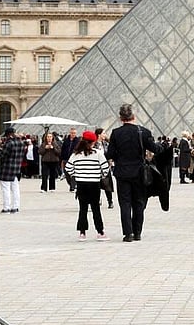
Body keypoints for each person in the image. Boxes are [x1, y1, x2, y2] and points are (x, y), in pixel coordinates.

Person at [105, 103, 162, 242]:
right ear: (134, 116)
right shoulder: (143, 132)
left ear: (120, 118)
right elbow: (155, 149)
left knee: (125, 204)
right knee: (139, 203)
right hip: (139, 173)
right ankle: (137, 233)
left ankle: (128, 234)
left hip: (122, 173)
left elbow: (110, 153)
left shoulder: (116, 133)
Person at [64, 131, 111, 241]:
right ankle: (100, 232)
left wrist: (77, 175)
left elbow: (68, 168)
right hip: (94, 184)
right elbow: (105, 169)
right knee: (96, 209)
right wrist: (100, 175)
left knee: (83, 209)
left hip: (81, 184)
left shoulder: (75, 154)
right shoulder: (98, 153)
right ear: (93, 142)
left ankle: (82, 232)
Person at [0, 127, 23, 213]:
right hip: (16, 168)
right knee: (15, 189)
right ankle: (15, 207)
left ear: (9, 134)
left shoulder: (9, 143)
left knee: (6, 189)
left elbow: (3, 155)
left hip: (7, 169)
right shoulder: (21, 143)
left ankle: (6, 207)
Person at [94, 128, 115, 208]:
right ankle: (98, 199)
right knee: (97, 185)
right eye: (104, 133)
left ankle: (110, 201)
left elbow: (109, 154)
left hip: (105, 166)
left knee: (107, 185)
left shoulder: (106, 144)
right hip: (96, 167)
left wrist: (110, 161)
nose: (105, 135)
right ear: (99, 135)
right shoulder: (94, 144)